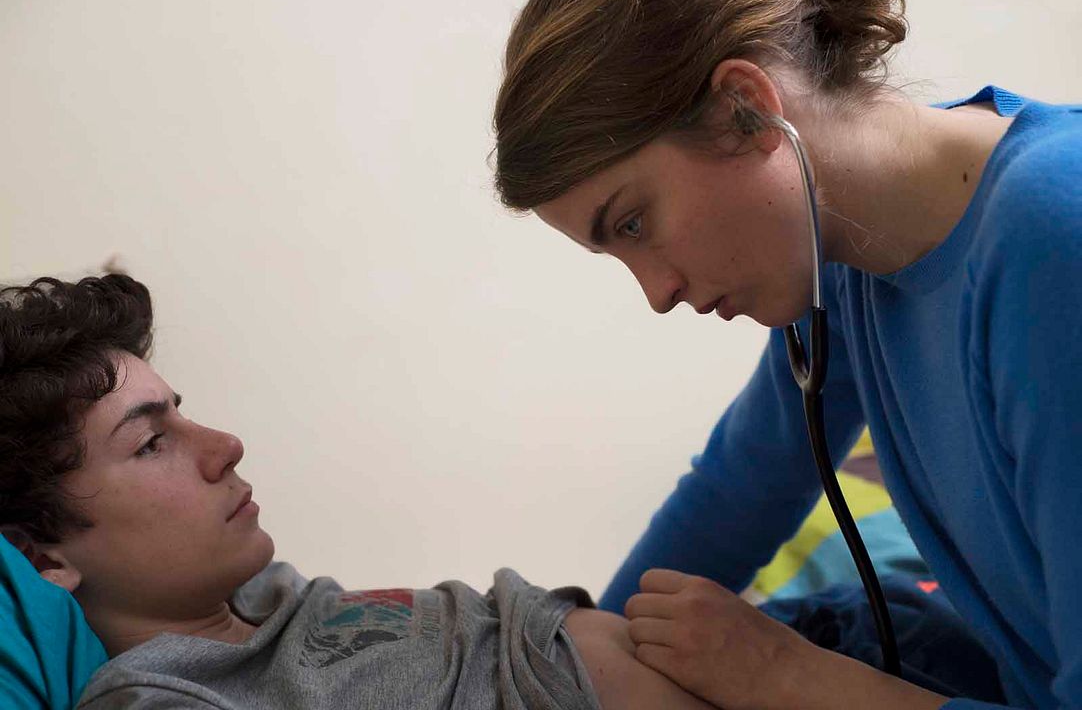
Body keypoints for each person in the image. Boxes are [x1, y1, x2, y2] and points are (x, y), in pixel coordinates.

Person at [492, 0, 1082, 709]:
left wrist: (787, 676)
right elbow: (741, 490)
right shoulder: (849, 258)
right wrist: (585, 668)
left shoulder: (1054, 233)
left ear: (745, 109)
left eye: (636, 222)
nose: (656, 292)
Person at [0, 274, 723, 710]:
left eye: (183, 413)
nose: (224, 447)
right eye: (153, 442)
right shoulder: (165, 697)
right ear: (41, 558)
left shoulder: (265, 600)